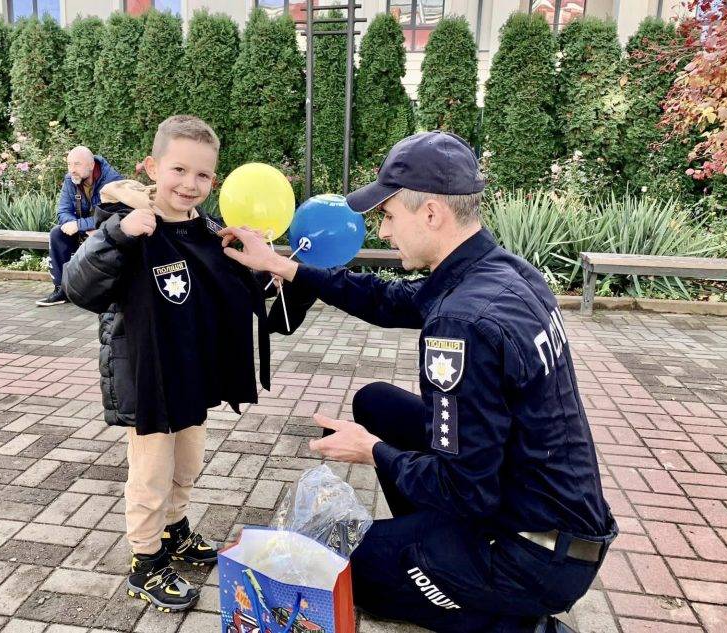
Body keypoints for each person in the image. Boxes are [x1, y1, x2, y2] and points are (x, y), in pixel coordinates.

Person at [221, 131, 617, 633]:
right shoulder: (503, 271)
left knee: (341, 572)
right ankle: (434, 546)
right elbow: (386, 301)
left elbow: (466, 489)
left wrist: (373, 453)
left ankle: (516, 620)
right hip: (544, 511)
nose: (383, 232)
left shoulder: (463, 324)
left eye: (388, 216)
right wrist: (284, 265)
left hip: (531, 551)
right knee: (377, 403)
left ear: (431, 213)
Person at [62, 115, 274, 613]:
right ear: (153, 166)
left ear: (214, 180)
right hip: (146, 378)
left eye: (203, 175)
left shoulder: (209, 231)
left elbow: (229, 293)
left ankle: (175, 530)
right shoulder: (131, 226)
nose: (190, 184)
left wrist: (267, 273)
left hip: (191, 375)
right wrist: (115, 234)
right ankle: (145, 560)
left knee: (187, 463)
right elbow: (78, 286)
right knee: (151, 473)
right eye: (179, 169)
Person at [36, 146, 122, 306]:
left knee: (106, 236)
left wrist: (80, 224)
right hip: (84, 228)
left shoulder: (112, 180)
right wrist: (76, 225)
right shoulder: (71, 179)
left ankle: (104, 292)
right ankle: (61, 290)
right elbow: (62, 211)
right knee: (57, 233)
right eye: (69, 164)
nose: (71, 170)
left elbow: (112, 216)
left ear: (91, 165)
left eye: (76, 164)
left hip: (107, 228)